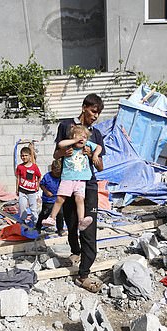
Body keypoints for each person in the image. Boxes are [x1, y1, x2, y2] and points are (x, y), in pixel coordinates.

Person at [53, 93, 105, 292]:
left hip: (88, 185)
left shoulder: (96, 135)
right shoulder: (67, 126)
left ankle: (84, 273)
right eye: (93, 111)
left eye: (98, 113)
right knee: (71, 223)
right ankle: (75, 250)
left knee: (89, 228)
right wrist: (62, 153)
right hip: (68, 182)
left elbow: (100, 167)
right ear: (84, 107)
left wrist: (93, 156)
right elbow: (56, 153)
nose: (95, 116)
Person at [42, 125, 102, 231]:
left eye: (84, 137)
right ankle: (51, 218)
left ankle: (81, 221)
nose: (81, 139)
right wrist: (74, 140)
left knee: (80, 199)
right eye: (79, 136)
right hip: (67, 178)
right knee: (60, 198)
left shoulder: (87, 146)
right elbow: (60, 144)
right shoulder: (68, 147)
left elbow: (99, 147)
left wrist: (95, 155)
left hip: (81, 179)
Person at [36, 159, 65, 236]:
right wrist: (46, 191)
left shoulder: (62, 177)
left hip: (58, 200)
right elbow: (41, 184)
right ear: (52, 169)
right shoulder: (47, 176)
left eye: (59, 172)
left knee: (60, 214)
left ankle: (60, 229)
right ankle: (38, 227)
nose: (58, 174)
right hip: (48, 200)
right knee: (45, 214)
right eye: (56, 172)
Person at [15, 146, 41, 224]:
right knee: (22, 207)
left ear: (30, 156)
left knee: (33, 209)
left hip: (32, 192)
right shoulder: (20, 167)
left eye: (26, 155)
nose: (24, 157)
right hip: (22, 191)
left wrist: (37, 186)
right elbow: (18, 178)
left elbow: (39, 176)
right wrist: (17, 189)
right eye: (22, 156)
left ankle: (36, 223)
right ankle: (23, 222)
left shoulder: (34, 167)